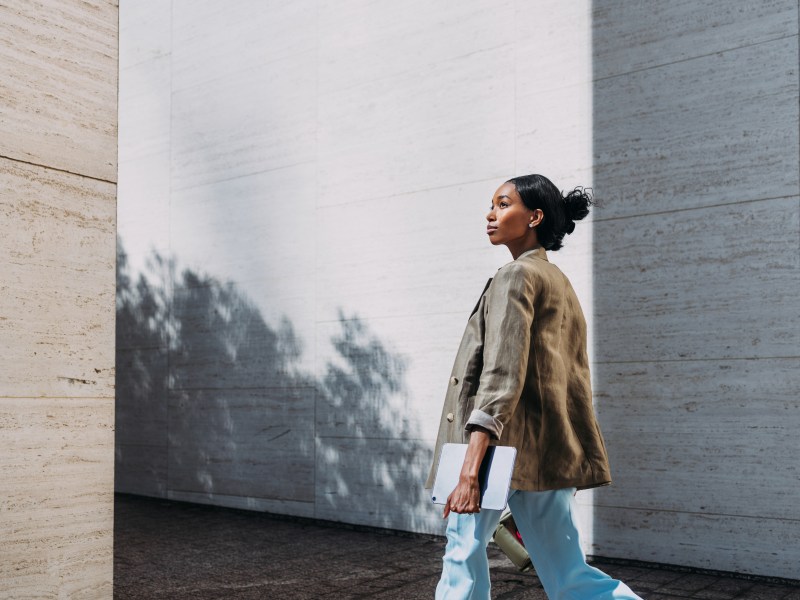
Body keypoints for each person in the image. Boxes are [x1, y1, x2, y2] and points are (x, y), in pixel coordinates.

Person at [426, 174, 643, 599]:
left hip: (496, 451)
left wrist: (470, 471)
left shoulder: (515, 277)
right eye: (492, 204)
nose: (491, 214)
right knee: (569, 573)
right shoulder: (558, 281)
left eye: (504, 204)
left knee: (461, 560)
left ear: (534, 217)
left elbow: (501, 376)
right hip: (545, 452)